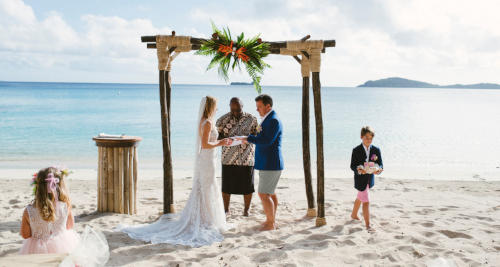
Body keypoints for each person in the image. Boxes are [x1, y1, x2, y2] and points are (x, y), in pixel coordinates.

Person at [118, 96, 234, 247]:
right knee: (206, 187)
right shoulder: (208, 123)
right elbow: (205, 144)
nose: (217, 108)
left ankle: (207, 218)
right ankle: (206, 219)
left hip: (207, 160)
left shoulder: (204, 121)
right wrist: (221, 142)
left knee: (206, 187)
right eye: (216, 106)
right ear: (211, 106)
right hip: (206, 159)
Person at [238, 94, 283, 231]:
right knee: (270, 192)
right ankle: (271, 220)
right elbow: (262, 137)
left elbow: (267, 140)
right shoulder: (267, 119)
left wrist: (248, 138)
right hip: (267, 162)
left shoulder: (273, 120)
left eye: (259, 107)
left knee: (263, 194)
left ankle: (270, 223)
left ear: (268, 106)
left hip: (271, 163)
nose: (257, 110)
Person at [19, 167, 79, 254]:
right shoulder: (65, 206)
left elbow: (25, 235)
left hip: (36, 250)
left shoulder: (29, 210)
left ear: (38, 187)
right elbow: (69, 226)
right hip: (62, 246)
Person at [216, 97, 258, 216]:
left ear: (242, 106)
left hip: (247, 158)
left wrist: (248, 139)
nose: (235, 112)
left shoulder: (252, 119)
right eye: (233, 109)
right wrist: (225, 140)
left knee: (248, 186)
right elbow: (216, 137)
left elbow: (257, 136)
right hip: (228, 158)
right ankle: (226, 209)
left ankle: (246, 210)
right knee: (227, 186)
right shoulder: (222, 120)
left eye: (238, 110)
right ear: (229, 107)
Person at [350, 126, 383, 231]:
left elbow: (380, 164)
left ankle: (354, 214)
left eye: (371, 138)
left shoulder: (376, 150)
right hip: (360, 179)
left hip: (370, 179)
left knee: (360, 196)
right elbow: (352, 165)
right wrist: (359, 169)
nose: (369, 140)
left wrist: (379, 169)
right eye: (366, 137)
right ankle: (368, 225)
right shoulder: (356, 150)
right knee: (366, 201)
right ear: (361, 137)